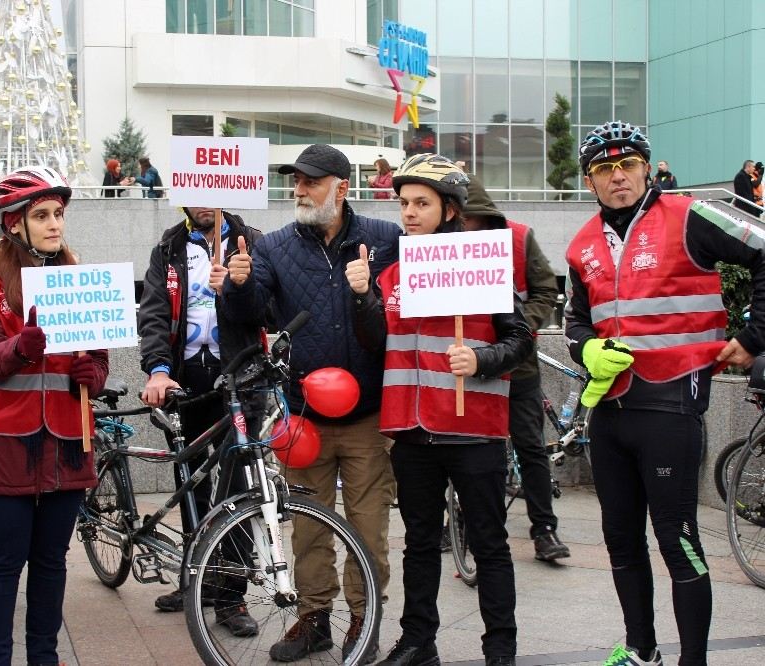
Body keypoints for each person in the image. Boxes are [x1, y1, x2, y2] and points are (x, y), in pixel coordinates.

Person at [567, 121, 765, 666]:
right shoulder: (582, 242)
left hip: (672, 405)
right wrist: (585, 350)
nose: (618, 177)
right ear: (590, 181)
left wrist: (752, 338)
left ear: (647, 168)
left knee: (678, 544)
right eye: (604, 169)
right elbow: (575, 321)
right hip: (610, 412)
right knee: (621, 543)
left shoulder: (690, 214)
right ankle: (641, 650)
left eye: (627, 164)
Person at [223, 144, 402, 663]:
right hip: (304, 415)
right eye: (295, 181)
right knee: (307, 526)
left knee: (368, 525)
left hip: (369, 413)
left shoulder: (384, 238)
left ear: (342, 188)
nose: (298, 189)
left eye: (310, 181)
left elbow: (404, 312)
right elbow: (250, 311)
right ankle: (314, 618)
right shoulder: (274, 247)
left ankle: (362, 622)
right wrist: (235, 286)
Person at [350, 154, 530, 666]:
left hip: (474, 431)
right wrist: (363, 297)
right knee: (420, 545)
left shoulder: (484, 264)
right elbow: (375, 341)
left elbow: (519, 339)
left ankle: (501, 649)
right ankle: (418, 642)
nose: (408, 212)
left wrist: (480, 358)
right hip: (411, 432)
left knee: (490, 545)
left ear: (449, 210)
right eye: (404, 202)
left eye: (421, 203)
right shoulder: (391, 273)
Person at [0, 166, 108, 666]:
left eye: (58, 214)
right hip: (4, 444)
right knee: (3, 564)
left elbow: (100, 363)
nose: (53, 224)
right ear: (12, 224)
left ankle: (44, 657)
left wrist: (93, 373)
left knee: (51, 563)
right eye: (41, 215)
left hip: (67, 442)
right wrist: (21, 347)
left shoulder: (78, 279)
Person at [137, 205, 268, 635]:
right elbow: (154, 310)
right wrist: (158, 368)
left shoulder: (252, 240)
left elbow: (267, 311)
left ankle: (232, 595)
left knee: (236, 490)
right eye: (191, 194)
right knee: (191, 484)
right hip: (186, 379)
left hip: (240, 378)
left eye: (208, 195)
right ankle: (197, 579)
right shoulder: (169, 246)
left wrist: (238, 285)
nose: (201, 202)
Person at [462, 176, 569, 562]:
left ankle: (544, 528)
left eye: (468, 218)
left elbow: (545, 291)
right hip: (465, 364)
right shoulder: (442, 243)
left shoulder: (518, 239)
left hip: (517, 364)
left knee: (530, 446)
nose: (461, 225)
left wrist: (522, 325)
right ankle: (459, 524)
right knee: (466, 451)